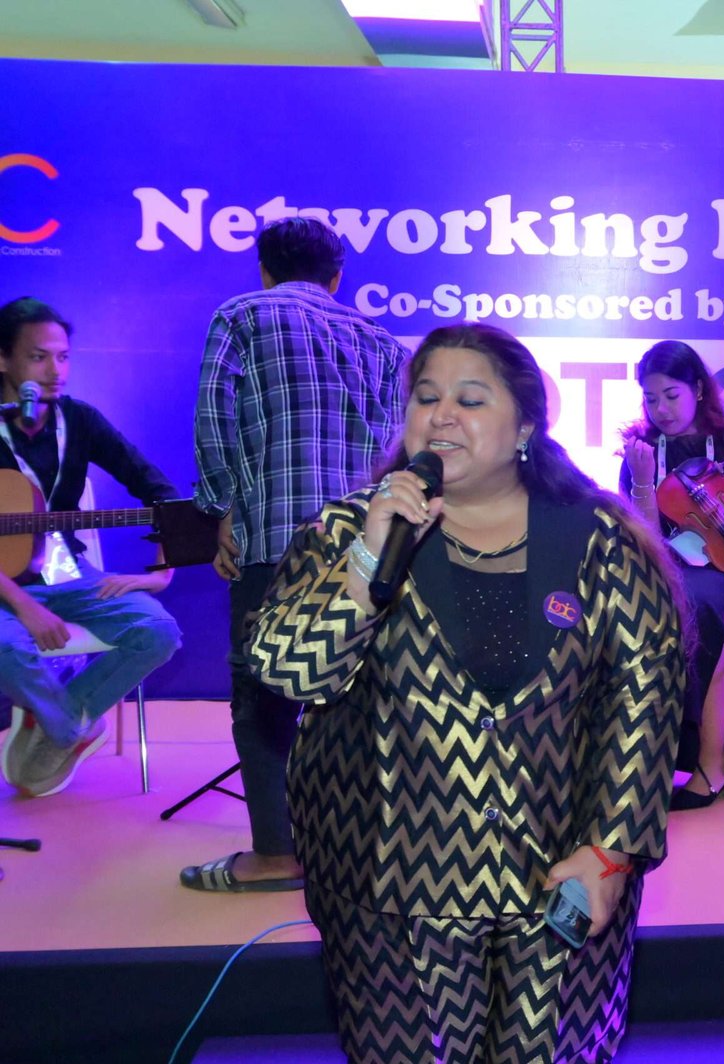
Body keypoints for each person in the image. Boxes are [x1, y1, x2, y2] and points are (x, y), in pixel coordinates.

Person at [248, 323, 685, 1063]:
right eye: (426, 398)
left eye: (471, 400)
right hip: (389, 883)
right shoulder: (349, 529)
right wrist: (366, 563)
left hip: (562, 874)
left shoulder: (599, 538)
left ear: (525, 427)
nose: (441, 415)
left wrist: (612, 851)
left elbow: (643, 699)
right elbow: (291, 673)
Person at [185, 217, 407, 893]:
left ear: (264, 270)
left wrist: (222, 509)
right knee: (360, 697)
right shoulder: (381, 340)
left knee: (263, 694)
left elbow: (214, 420)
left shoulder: (241, 315)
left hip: (276, 542)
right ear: (337, 278)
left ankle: (277, 855)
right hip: (365, 547)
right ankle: (360, 849)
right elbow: (394, 447)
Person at [0, 297, 181, 798]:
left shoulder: (79, 420)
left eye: (63, 357)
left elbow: (160, 492)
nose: (55, 371)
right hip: (5, 586)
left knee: (158, 632)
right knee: (5, 646)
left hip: (64, 569)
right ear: (4, 359)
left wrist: (160, 572)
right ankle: (70, 727)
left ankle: (56, 715)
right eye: (38, 357)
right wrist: (24, 605)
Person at [619, 340, 724, 809]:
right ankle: (650, 762)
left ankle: (709, 764)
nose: (660, 409)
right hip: (659, 565)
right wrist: (643, 480)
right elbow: (643, 536)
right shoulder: (640, 451)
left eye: (671, 395)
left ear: (698, 389)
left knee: (699, 606)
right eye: (650, 398)